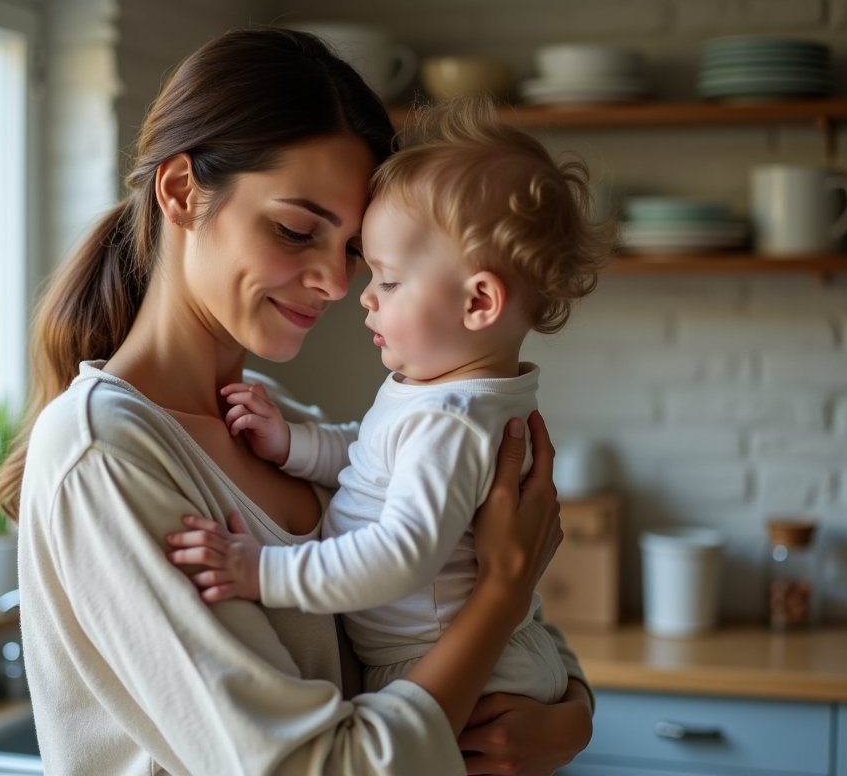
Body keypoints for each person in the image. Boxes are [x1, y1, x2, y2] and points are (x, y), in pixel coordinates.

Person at [0, 28, 593, 775]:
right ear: (181, 192)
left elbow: (453, 602)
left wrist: (571, 712)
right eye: (296, 230)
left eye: (351, 250)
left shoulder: (271, 417)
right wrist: (504, 593)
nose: (338, 285)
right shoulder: (105, 454)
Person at [167, 100, 615, 704]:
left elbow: (401, 554)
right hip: (460, 652)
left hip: (450, 665)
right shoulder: (450, 400)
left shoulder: (451, 422)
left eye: (390, 279)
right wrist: (294, 444)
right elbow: (373, 462)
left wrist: (260, 572)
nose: (362, 295)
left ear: (478, 303)